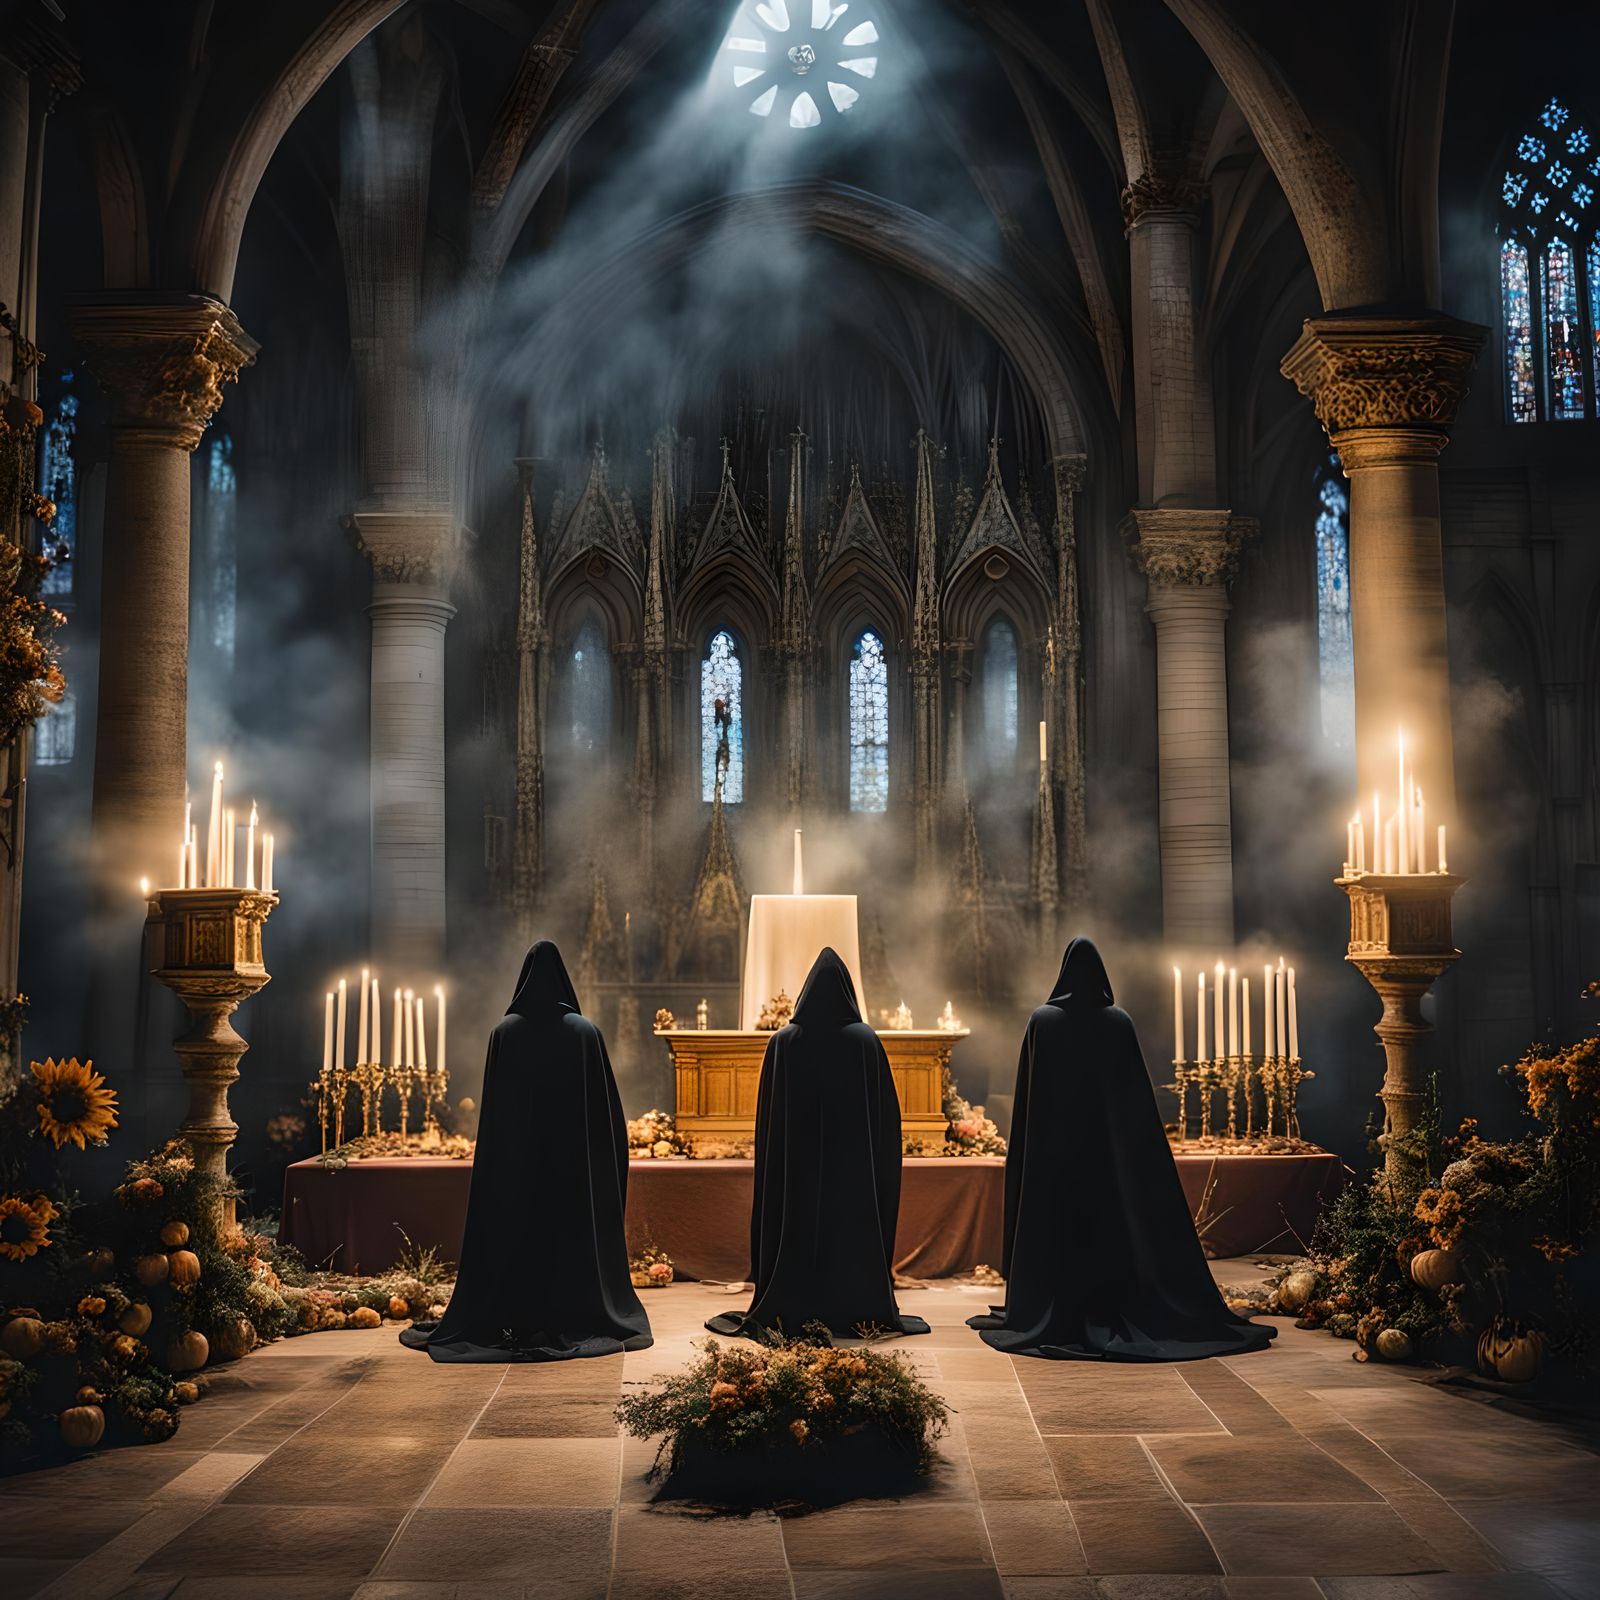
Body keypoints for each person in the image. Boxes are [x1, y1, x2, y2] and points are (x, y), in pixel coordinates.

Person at [968, 936, 1276, 1361]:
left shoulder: (1043, 1021)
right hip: (1112, 1162)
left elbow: (1031, 1103)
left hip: (1056, 1159)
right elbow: (1136, 1108)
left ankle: (1052, 1307)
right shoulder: (1118, 1022)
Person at [401, 940, 652, 1362]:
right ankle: (578, 1308)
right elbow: (606, 1116)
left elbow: (495, 1118)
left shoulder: (505, 1034)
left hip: (517, 1171)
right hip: (573, 1172)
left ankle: (513, 1312)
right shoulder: (585, 1034)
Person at [707, 947, 929, 1343]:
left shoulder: (784, 1042)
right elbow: (884, 1119)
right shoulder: (864, 1041)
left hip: (797, 1170)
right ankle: (855, 1302)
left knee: (797, 1224)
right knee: (850, 1229)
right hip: (853, 1171)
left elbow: (770, 1122)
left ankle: (792, 1301)